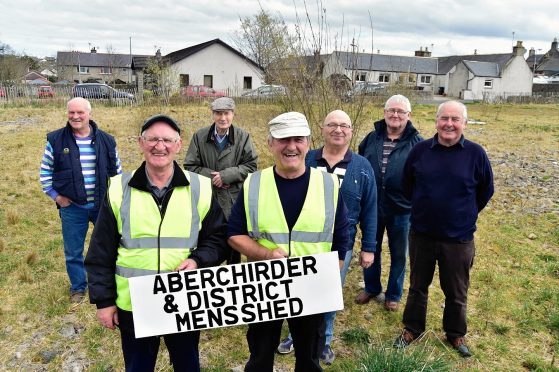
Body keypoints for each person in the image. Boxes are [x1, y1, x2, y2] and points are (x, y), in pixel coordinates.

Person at [85, 114, 230, 371]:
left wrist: (198, 260)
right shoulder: (120, 188)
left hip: (184, 298)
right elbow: (101, 250)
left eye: (166, 140)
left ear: (178, 144)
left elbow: (218, 239)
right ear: (141, 143)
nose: (159, 146)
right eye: (152, 139)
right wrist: (104, 302)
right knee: (138, 366)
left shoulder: (200, 187)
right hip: (134, 302)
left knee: (187, 365)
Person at [227, 112, 350, 372]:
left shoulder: (328, 184)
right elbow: (234, 234)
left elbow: (341, 241)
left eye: (297, 139)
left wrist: (326, 278)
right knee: (260, 357)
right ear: (271, 144)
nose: (291, 146)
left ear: (308, 143)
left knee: (308, 359)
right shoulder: (254, 183)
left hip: (312, 287)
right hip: (264, 285)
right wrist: (265, 254)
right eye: (283, 139)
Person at [394, 100, 494, 358]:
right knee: (418, 285)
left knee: (457, 290)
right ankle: (413, 328)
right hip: (422, 235)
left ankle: (455, 333)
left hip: (459, 239)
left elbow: (485, 190)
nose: (449, 124)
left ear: (464, 123)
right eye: (444, 118)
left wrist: (465, 213)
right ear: (436, 121)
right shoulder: (420, 151)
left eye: (455, 119)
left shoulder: (476, 154)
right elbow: (407, 185)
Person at [276, 110, 377, 365]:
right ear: (322, 129)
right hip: (304, 241)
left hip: (340, 242)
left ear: (351, 131)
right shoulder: (306, 158)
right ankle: (294, 336)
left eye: (344, 125)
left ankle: (325, 340)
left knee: (329, 293)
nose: (338, 130)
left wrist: (369, 247)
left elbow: (370, 208)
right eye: (332, 124)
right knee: (298, 291)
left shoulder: (362, 167)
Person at [39, 97, 121, 303]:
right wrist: (56, 196)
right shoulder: (55, 140)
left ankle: (112, 282)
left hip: (102, 206)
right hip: (72, 208)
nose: (75, 117)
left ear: (89, 114)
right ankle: (78, 287)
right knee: (73, 251)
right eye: (71, 113)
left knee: (110, 246)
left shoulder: (107, 140)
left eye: (80, 113)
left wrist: (115, 200)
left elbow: (117, 173)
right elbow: (45, 173)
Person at [356, 94, 423, 311]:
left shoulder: (417, 143)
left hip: (402, 209)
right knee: (370, 247)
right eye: (391, 110)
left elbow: (423, 177)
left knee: (399, 253)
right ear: (384, 113)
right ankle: (372, 287)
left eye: (400, 111)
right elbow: (360, 165)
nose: (395, 115)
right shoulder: (371, 138)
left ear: (408, 115)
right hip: (372, 207)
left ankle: (393, 294)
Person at [184, 97, 258, 264]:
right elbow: (190, 166)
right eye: (218, 113)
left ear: (233, 114)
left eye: (227, 113)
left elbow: (251, 165)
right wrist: (213, 178)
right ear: (213, 115)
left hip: (233, 199)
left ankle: (233, 278)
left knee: (234, 240)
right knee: (207, 239)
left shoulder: (243, 137)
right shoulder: (199, 136)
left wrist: (226, 176)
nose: (223, 118)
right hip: (206, 198)